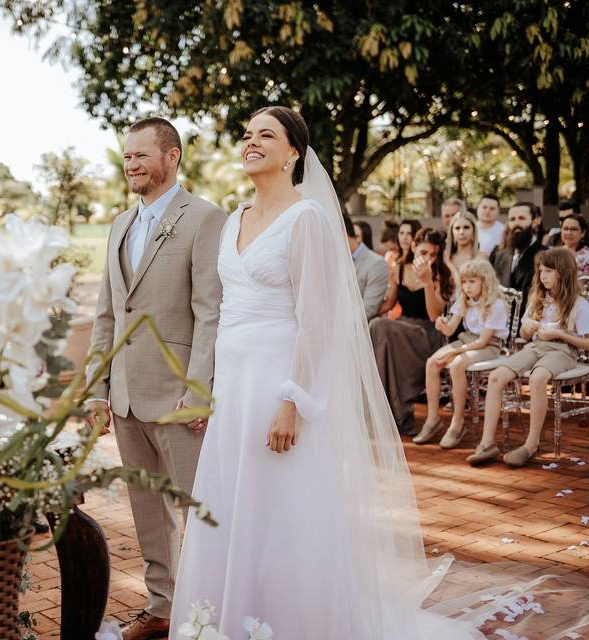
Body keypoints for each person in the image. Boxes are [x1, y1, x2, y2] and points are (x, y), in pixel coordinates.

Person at [170, 106, 484, 639]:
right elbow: (222, 313)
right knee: (232, 502)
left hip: (280, 383)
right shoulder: (232, 220)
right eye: (247, 135)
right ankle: (227, 620)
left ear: (293, 151)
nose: (251, 142)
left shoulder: (308, 218)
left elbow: (317, 320)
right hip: (234, 388)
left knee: (282, 509)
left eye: (265, 135)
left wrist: (293, 400)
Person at [85, 117, 225, 640]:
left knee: (198, 511)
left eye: (142, 155)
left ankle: (211, 609)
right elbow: (106, 314)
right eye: (126, 157)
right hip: (124, 395)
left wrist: (198, 392)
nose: (131, 165)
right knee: (149, 512)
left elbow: (210, 312)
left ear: (173, 157)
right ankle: (163, 607)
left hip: (178, 394)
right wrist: (97, 388)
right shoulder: (120, 224)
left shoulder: (205, 219)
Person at [467, 249, 589, 467]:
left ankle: (531, 444)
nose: (542, 276)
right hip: (536, 346)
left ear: (563, 272)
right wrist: (526, 330)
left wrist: (558, 333)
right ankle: (487, 443)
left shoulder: (579, 304)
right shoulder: (538, 299)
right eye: (540, 271)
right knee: (496, 377)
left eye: (548, 271)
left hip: (563, 351)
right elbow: (523, 335)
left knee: (538, 378)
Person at [415, 259, 508, 448]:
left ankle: (457, 423)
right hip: (467, 340)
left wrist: (455, 352)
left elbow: (482, 341)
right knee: (432, 362)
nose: (466, 287)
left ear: (485, 281)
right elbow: (450, 331)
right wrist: (442, 324)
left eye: (472, 282)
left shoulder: (495, 304)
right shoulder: (464, 299)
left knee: (457, 364)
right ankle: (433, 419)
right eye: (464, 282)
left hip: (489, 345)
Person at [370, 228, 454, 433]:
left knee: (381, 327)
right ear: (414, 247)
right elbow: (389, 303)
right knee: (376, 326)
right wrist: (359, 318)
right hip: (399, 330)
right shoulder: (398, 268)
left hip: (426, 333)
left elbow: (435, 315)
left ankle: (388, 412)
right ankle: (386, 412)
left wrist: (427, 282)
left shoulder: (441, 274)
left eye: (434, 254)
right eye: (424, 253)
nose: (429, 259)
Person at [490, 201, 545, 310]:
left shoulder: (545, 255)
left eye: (521, 218)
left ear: (534, 222)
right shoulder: (499, 256)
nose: (516, 223)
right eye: (512, 219)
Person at [346, 213, 389, 320]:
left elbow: (368, 309)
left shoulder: (376, 264)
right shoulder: (335, 259)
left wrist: (339, 325)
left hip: (356, 329)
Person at [444, 211, 482, 277]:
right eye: (457, 228)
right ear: (452, 232)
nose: (461, 232)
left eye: (466, 227)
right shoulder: (444, 257)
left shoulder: (481, 258)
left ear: (474, 231)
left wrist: (449, 264)